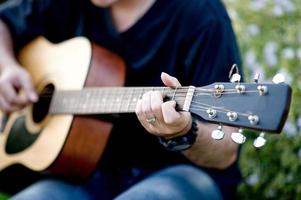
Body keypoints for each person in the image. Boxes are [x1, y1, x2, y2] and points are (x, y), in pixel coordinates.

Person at [0, 0, 242, 199]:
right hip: (81, 175)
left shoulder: (202, 16)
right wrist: (7, 66)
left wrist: (184, 132)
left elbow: (226, 151)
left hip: (179, 177)